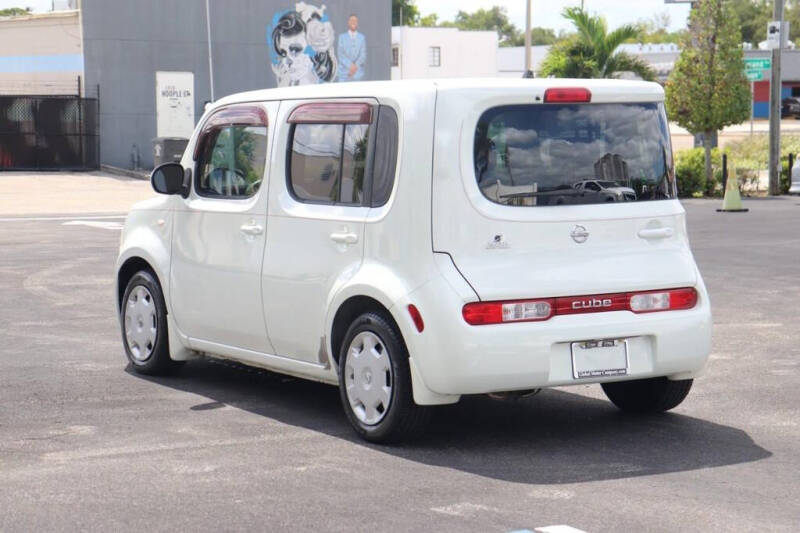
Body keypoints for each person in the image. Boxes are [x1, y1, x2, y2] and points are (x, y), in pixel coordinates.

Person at [337, 14, 366, 82]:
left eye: (355, 20)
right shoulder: (341, 37)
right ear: (348, 22)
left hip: (358, 75)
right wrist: (350, 66)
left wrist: (355, 67)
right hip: (343, 74)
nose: (353, 22)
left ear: (357, 23)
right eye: (351, 20)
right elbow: (341, 55)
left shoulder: (362, 38)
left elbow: (363, 55)